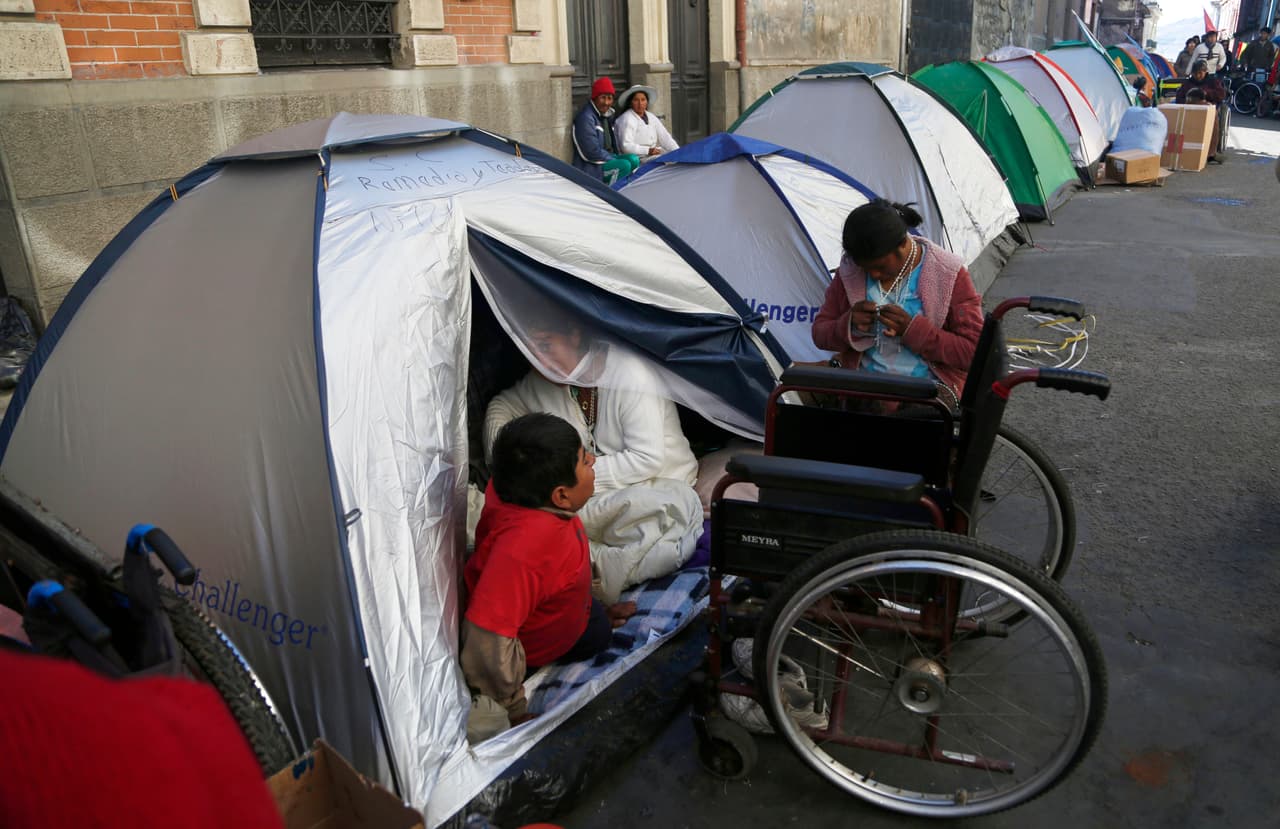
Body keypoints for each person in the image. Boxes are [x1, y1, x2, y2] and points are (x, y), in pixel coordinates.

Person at [484, 321, 703, 604]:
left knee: (542, 524)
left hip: (659, 485)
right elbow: (502, 405)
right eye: (530, 349)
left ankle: (589, 567)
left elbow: (646, 459)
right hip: (589, 492)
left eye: (546, 345)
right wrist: (510, 461)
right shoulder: (545, 379)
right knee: (540, 523)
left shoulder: (630, 373)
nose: (538, 359)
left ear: (574, 335)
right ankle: (589, 564)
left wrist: (562, 478)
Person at [461, 413, 638, 735]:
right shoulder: (521, 550)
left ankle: (594, 614)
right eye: (585, 462)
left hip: (568, 611)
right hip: (542, 643)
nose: (594, 462)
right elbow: (487, 639)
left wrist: (594, 602)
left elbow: (564, 570)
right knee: (597, 637)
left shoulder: (521, 493)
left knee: (598, 625)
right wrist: (512, 708)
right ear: (561, 495)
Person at [812, 199, 983, 409]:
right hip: (864, 388)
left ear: (903, 244)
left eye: (880, 266)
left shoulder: (947, 273)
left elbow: (974, 353)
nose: (873, 275)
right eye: (865, 268)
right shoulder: (850, 272)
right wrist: (848, 325)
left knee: (901, 420)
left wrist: (914, 331)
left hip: (930, 392)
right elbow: (819, 333)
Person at [571, 77, 641, 185]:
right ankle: (612, 196)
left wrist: (615, 156)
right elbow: (591, 152)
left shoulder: (607, 116)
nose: (606, 103)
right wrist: (613, 158)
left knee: (633, 159)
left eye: (609, 98)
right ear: (595, 98)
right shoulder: (586, 118)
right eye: (603, 98)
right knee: (624, 165)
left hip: (606, 158)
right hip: (591, 167)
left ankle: (625, 190)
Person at [613, 85, 679, 160]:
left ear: (647, 102)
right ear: (630, 102)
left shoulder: (651, 117)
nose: (640, 103)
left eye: (643, 100)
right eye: (636, 100)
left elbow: (665, 137)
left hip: (651, 155)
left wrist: (678, 152)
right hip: (635, 159)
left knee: (672, 158)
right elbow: (626, 146)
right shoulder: (626, 119)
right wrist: (648, 150)